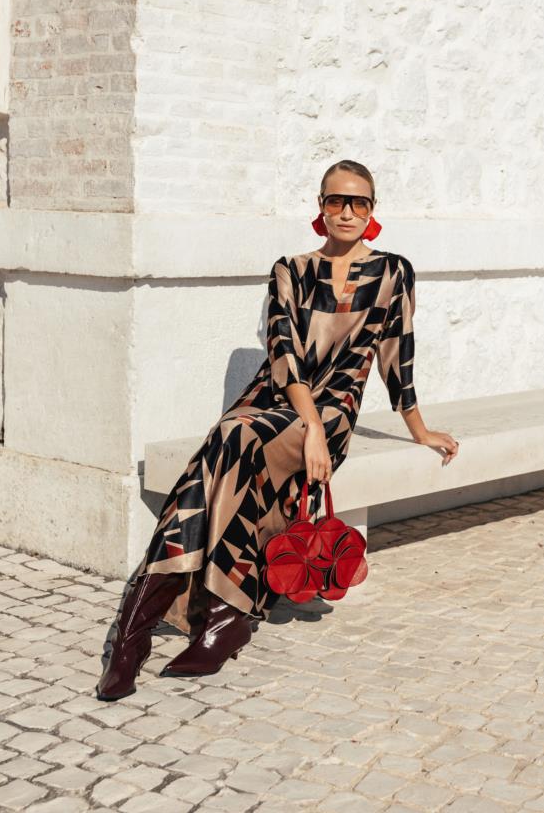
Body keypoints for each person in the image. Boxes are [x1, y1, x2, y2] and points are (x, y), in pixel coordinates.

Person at [96, 159, 459, 701]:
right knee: (227, 441)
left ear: (372, 210)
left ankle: (188, 621)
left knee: (232, 442)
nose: (347, 212)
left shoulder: (393, 272)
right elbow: (283, 352)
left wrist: (419, 429)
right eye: (336, 200)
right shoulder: (290, 269)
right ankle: (148, 634)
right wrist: (307, 425)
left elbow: (396, 357)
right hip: (278, 399)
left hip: (334, 410)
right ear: (320, 206)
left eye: (359, 202)